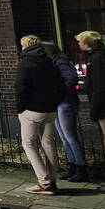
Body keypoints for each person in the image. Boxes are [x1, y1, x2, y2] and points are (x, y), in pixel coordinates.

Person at [15, 35, 67, 195]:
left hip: (31, 110)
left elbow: (21, 88)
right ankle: (52, 180)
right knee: (48, 143)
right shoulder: (49, 61)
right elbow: (60, 85)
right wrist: (55, 102)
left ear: (24, 46)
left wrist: (20, 109)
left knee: (29, 144)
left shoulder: (25, 63)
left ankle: (44, 182)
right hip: (50, 110)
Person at [45, 42, 87, 182]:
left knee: (70, 137)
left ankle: (81, 168)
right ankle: (72, 167)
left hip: (65, 103)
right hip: (59, 103)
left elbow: (72, 78)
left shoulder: (60, 62)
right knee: (64, 138)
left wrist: (60, 92)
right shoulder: (54, 62)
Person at [76, 30, 105, 150]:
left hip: (103, 106)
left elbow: (99, 84)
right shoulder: (97, 55)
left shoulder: (96, 57)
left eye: (79, 41)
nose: (78, 44)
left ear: (86, 43)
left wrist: (95, 108)